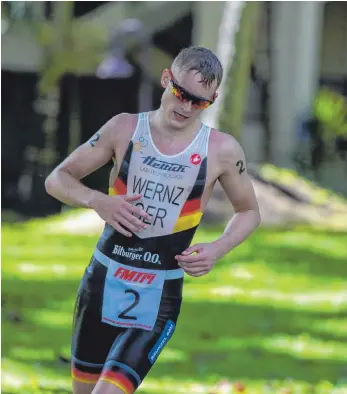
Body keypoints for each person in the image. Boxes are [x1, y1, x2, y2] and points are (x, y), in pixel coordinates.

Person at [45, 46, 261, 394]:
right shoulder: (125, 128)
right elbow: (57, 178)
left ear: (213, 99)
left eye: (200, 102)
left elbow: (249, 211)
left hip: (158, 295)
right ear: (166, 79)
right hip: (101, 283)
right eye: (182, 94)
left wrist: (218, 248)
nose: (187, 107)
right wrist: (97, 200)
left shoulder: (221, 149)